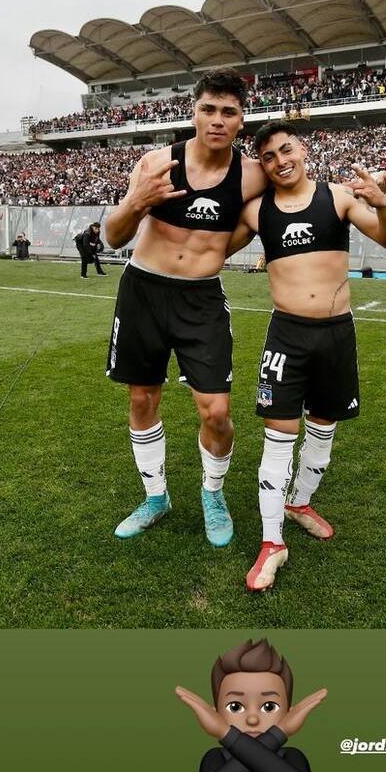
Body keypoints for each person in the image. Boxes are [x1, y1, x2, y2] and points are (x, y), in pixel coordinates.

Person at [227, 119, 386, 591]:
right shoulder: (255, 211)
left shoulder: (338, 198)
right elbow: (209, 248)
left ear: (301, 148)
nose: (281, 161)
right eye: (269, 157)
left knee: (324, 425)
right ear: (261, 165)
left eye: (286, 150)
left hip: (336, 335)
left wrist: (383, 204)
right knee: (278, 433)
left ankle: (299, 502)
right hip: (287, 335)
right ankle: (272, 543)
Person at [103, 69, 267, 546]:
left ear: (241, 120)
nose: (217, 120)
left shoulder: (252, 175)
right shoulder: (157, 163)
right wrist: (138, 200)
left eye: (228, 112)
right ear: (194, 113)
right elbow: (114, 236)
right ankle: (156, 497)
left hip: (200, 298)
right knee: (142, 397)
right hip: (143, 290)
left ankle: (211, 494)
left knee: (216, 412)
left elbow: (282, 208)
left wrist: (224, 247)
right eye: (208, 110)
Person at [175, 638, 324, 772]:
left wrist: (226, 734)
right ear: (216, 713)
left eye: (269, 707)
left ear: (289, 711)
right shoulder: (215, 756)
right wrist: (280, 732)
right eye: (235, 707)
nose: (252, 720)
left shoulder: (291, 756)